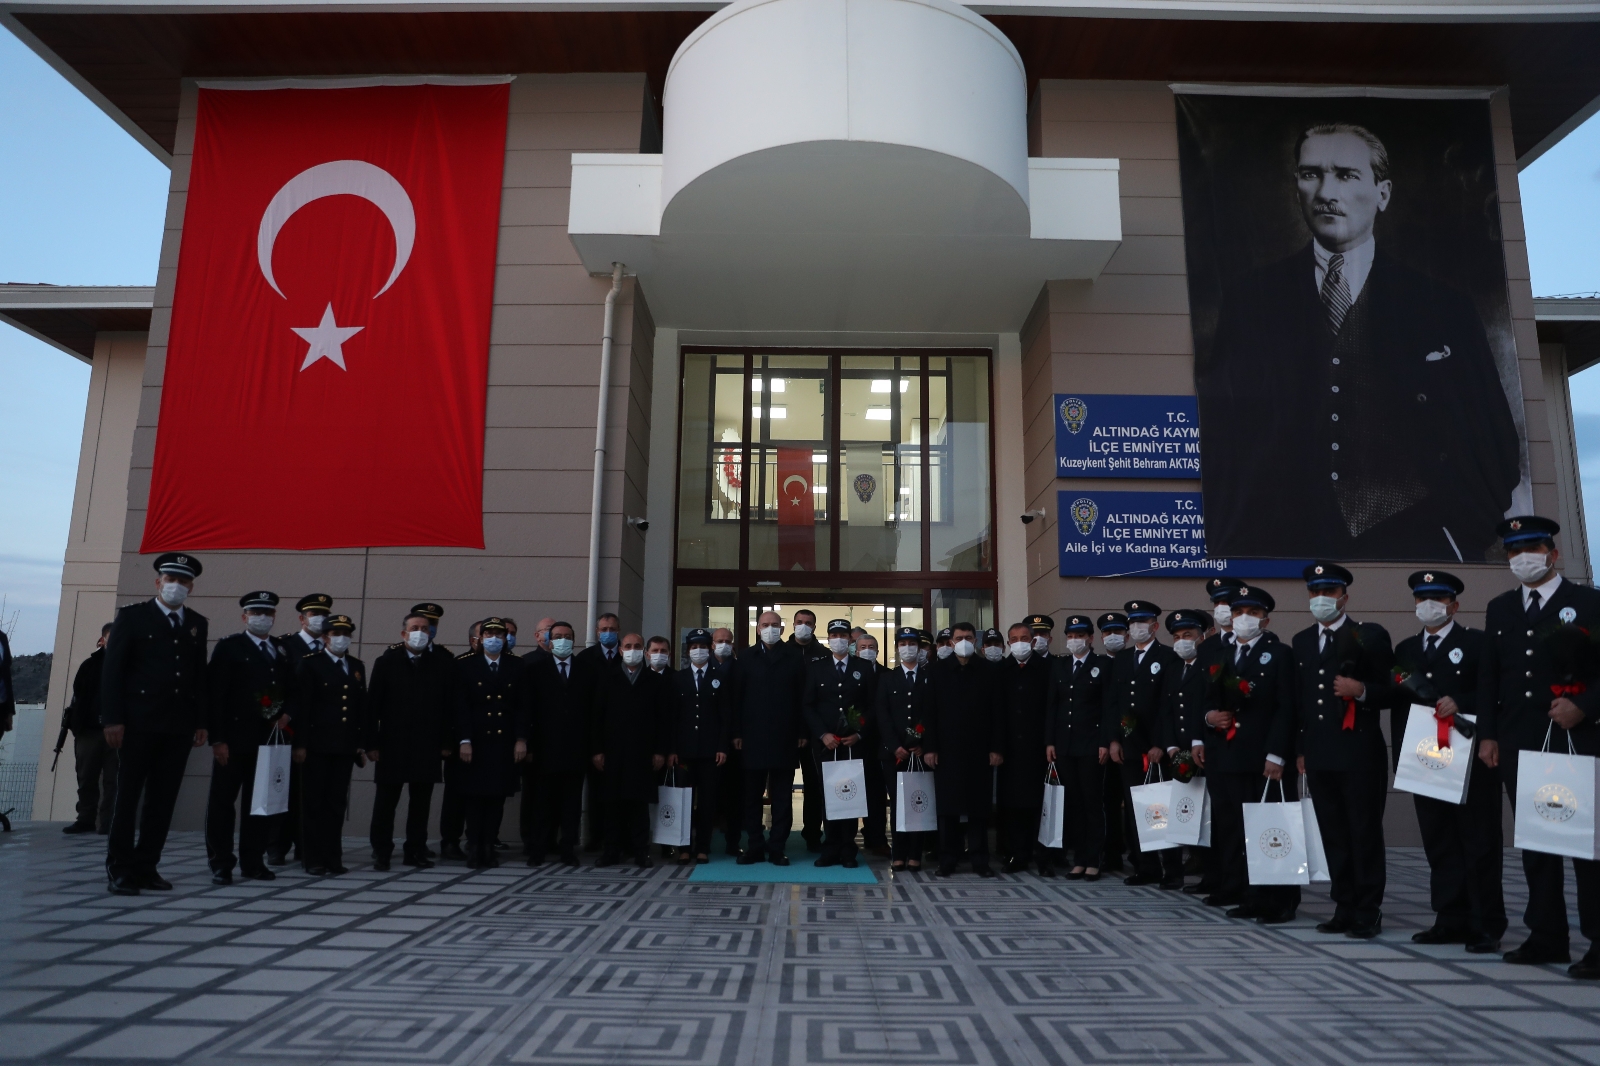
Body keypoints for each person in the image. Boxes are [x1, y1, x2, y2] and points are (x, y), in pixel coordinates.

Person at [1200, 122, 1520, 562]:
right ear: (1296, 186)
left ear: (1382, 193)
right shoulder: (1250, 299)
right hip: (1283, 542)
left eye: (1346, 175)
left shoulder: (1443, 307)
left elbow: (1494, 437)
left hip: (1417, 538)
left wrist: (1462, 531)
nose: (1326, 190)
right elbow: (1222, 433)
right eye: (1311, 174)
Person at [1479, 515, 1600, 978]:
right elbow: (1491, 675)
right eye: (1512, 550)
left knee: (1587, 846)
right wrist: (1489, 734)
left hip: (1576, 739)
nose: (1522, 557)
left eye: (1531, 547)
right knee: (1538, 844)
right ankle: (1546, 936)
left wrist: (1585, 707)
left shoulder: (1587, 603)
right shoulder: (1501, 608)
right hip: (1519, 742)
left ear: (1553, 553)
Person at [1391, 570, 1504, 953]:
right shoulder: (1406, 650)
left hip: (1469, 758)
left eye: (1437, 600)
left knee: (1479, 840)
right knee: (1439, 841)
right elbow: (1399, 706)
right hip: (1426, 760)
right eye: (1422, 599)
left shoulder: (1475, 643)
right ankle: (1449, 917)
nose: (1428, 606)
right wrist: (1400, 760)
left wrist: (1463, 701)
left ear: (1454, 605)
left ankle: (1485, 922)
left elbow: (1494, 691)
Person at [1291, 562, 1394, 939]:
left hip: (1359, 753)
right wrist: (1301, 749)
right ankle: (1344, 904)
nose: (1322, 599)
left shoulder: (1368, 635)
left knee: (1363, 831)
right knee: (1333, 832)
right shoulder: (1302, 640)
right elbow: (1301, 701)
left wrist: (1362, 691)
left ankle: (1368, 909)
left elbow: (1392, 689)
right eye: (1315, 592)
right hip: (1319, 753)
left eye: (1329, 592)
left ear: (1344, 597)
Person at [100, 553, 210, 895]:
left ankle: (147, 866)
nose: (176, 586)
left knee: (162, 801)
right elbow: (113, 672)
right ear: (157, 582)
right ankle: (120, 868)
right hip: (138, 723)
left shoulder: (196, 623)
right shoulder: (132, 618)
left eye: (183, 581)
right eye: (170, 579)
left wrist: (201, 720)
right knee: (128, 797)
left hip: (177, 725)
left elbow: (197, 676)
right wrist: (113, 718)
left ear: (191, 585)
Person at [1200, 585, 1299, 923]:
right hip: (1227, 753)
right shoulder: (1222, 654)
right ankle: (1245, 891)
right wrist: (1210, 718)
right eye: (1239, 612)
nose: (1244, 619)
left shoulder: (1279, 653)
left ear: (1266, 619)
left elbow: (1286, 707)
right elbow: (1207, 700)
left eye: (1253, 613)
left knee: (1270, 829)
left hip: (1263, 759)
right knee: (1233, 827)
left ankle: (1280, 899)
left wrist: (1277, 754)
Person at [204, 591, 292, 884]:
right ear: (244, 617)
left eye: (267, 614)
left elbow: (290, 688)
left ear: (274, 617)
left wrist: (286, 713)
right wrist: (217, 739)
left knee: (260, 805)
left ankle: (253, 861)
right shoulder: (230, 647)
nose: (262, 618)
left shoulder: (281, 649)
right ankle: (221, 863)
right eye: (256, 613)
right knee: (222, 803)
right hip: (233, 739)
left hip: (266, 740)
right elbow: (215, 696)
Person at [367, 610, 455, 870]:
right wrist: (371, 743)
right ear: (403, 633)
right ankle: (382, 851)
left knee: (420, 803)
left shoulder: (441, 662)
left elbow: (448, 708)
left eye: (425, 628)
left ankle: (415, 850)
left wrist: (447, 743)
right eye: (415, 628)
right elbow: (372, 706)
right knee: (386, 801)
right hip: (392, 744)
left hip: (427, 745)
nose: (420, 633)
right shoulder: (386, 662)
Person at [1106, 600, 1185, 890]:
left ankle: (1172, 870)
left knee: (1163, 810)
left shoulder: (1168, 656)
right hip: (1129, 747)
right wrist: (1114, 739)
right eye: (1133, 622)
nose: (1138, 627)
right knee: (1137, 811)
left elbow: (1168, 704)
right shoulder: (1123, 659)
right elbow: (1114, 703)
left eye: (1144, 622)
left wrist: (1161, 743)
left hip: (1157, 749)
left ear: (1154, 625)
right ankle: (1146, 866)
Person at [288, 614, 367, 876]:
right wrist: (300, 744)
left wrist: (360, 744)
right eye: (335, 633)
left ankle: (333, 857)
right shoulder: (311, 664)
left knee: (336, 804)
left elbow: (358, 708)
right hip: (316, 745)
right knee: (313, 803)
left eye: (345, 633)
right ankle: (313, 858)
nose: (341, 638)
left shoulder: (356, 665)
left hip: (343, 746)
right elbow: (303, 706)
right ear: (324, 637)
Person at [924, 622, 1000, 877]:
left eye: (969, 637)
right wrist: (930, 748)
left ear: (975, 641)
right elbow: (930, 713)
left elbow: (998, 714)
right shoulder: (937, 672)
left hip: (980, 750)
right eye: (959, 638)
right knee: (948, 808)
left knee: (979, 808)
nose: (964, 641)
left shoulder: (989, 671)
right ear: (951, 641)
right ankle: (948, 858)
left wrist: (996, 747)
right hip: (947, 750)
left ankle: (980, 860)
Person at [453, 618, 530, 869]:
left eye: (499, 633)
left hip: (503, 742)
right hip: (476, 742)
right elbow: (460, 707)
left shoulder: (517, 666)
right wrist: (464, 740)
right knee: (475, 798)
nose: (494, 638)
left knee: (496, 797)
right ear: (481, 637)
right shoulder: (466, 665)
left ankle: (489, 845)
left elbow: (522, 707)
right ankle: (475, 846)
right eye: (489, 633)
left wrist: (521, 739)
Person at [733, 611, 807, 865]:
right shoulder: (744, 657)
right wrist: (737, 733)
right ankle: (755, 845)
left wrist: (801, 732)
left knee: (782, 798)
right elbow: (737, 699)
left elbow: (802, 699)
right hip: (752, 737)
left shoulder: (795, 657)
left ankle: (777, 847)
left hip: (785, 737)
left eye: (775, 625)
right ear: (757, 629)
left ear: (783, 629)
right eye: (765, 625)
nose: (770, 629)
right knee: (751, 797)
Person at [591, 631, 670, 867]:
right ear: (621, 650)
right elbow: (596, 717)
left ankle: (640, 851)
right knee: (612, 804)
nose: (632, 650)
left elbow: (663, 720)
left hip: (643, 753)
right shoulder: (607, 678)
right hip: (612, 753)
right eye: (628, 646)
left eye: (637, 646)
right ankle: (611, 851)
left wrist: (660, 751)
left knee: (639, 805)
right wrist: (596, 750)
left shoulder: (654, 681)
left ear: (643, 651)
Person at [267, 592, 333, 867]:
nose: (319, 619)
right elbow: (271, 686)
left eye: (323, 614)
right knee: (283, 789)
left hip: (319, 733)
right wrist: (276, 715)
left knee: (313, 792)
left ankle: (305, 845)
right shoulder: (284, 646)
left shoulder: (331, 648)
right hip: (288, 730)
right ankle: (276, 846)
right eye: (313, 614)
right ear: (302, 618)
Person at [524, 621, 595, 866]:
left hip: (576, 750)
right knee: (542, 803)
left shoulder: (585, 670)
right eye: (557, 636)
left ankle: (568, 850)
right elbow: (528, 711)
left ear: (573, 640)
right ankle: (538, 850)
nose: (562, 640)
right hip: (545, 751)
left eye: (567, 636)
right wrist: (530, 746)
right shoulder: (536, 669)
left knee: (571, 805)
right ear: (549, 640)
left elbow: (592, 712)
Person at [1045, 615, 1109, 880]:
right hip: (1065, 746)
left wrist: (1105, 742)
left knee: (1092, 803)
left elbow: (1107, 707)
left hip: (1092, 746)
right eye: (1070, 636)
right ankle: (1079, 859)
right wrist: (1050, 741)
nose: (1074, 641)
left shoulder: (1102, 665)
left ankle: (1094, 859)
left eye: (1080, 636)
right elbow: (1052, 706)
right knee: (1072, 805)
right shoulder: (1060, 666)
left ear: (1091, 638)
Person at [803, 619, 871, 869]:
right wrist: (823, 734)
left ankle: (848, 850)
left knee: (849, 796)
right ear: (828, 638)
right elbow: (808, 705)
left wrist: (859, 732)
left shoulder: (863, 667)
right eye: (834, 635)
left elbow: (872, 706)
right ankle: (829, 847)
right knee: (828, 796)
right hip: (826, 745)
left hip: (852, 744)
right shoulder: (816, 668)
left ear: (850, 639)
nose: (838, 639)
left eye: (843, 635)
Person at [876, 627, 934, 871]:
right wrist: (895, 745)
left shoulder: (930, 677)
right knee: (898, 803)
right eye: (903, 643)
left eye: (912, 643)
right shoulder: (887, 678)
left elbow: (933, 714)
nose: (907, 647)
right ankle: (898, 852)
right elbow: (882, 714)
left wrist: (923, 744)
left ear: (920, 648)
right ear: (897, 647)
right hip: (894, 754)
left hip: (921, 753)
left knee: (917, 803)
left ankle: (915, 854)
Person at [1163, 608, 1213, 894]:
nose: (1182, 641)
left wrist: (1200, 744)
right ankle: (1178, 871)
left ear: (1201, 636)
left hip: (1204, 752)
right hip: (1178, 752)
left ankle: (1210, 872)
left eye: (1189, 635)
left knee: (1207, 816)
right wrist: (1170, 746)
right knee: (1182, 813)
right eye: (1178, 636)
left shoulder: (1208, 667)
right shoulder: (1173, 668)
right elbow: (1166, 711)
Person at [667, 628, 727, 864]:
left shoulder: (719, 677)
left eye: (703, 646)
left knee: (707, 801)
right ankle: (684, 847)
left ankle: (702, 847)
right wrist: (671, 749)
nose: (698, 651)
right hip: (684, 753)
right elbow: (671, 718)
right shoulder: (677, 678)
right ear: (688, 650)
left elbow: (725, 716)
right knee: (683, 800)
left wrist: (722, 747)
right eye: (694, 647)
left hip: (710, 752)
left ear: (709, 648)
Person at [996, 621, 1051, 874]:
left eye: (1024, 637)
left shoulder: (1048, 668)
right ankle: (1017, 854)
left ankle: (1044, 856)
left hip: (1039, 748)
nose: (1020, 642)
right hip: (1010, 750)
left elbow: (1053, 709)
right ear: (1008, 643)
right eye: (1014, 638)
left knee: (1041, 805)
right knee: (1013, 805)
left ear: (1034, 640)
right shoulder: (1001, 669)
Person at [62, 624, 116, 835]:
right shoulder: (89, 666)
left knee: (114, 779)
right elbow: (78, 696)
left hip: (119, 732)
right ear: (102, 639)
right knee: (86, 778)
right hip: (89, 731)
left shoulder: (131, 665)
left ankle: (109, 821)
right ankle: (85, 819)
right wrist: (78, 726)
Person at [440, 621, 485, 862]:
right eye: (483, 635)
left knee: (479, 796)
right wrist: (450, 743)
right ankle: (450, 840)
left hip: (484, 743)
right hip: (460, 743)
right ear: (472, 640)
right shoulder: (459, 664)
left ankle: (477, 840)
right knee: (455, 795)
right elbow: (451, 707)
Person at [787, 608, 830, 852]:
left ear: (815, 627)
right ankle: (779, 835)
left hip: (815, 732)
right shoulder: (783, 652)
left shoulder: (823, 655)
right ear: (793, 625)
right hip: (786, 731)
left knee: (815, 786)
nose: (804, 626)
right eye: (799, 622)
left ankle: (813, 834)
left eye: (808, 623)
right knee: (781, 786)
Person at [1097, 611, 1130, 872]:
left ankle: (1141, 854)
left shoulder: (1132, 661)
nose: (1112, 637)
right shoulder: (1097, 664)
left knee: (1135, 800)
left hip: (1134, 743)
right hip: (1104, 744)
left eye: (1117, 632)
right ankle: (1112, 852)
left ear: (1127, 635)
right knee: (1107, 801)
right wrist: (1108, 740)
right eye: (1107, 633)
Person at [853, 632, 889, 856]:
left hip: (882, 743)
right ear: (855, 651)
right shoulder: (850, 674)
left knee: (877, 794)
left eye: (871, 646)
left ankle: (876, 838)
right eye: (863, 646)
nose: (867, 650)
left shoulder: (888, 674)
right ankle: (846, 840)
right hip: (857, 741)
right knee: (853, 791)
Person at [711, 627, 744, 857]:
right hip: (707, 741)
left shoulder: (740, 669)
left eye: (727, 641)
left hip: (734, 742)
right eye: (719, 641)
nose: (723, 644)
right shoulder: (703, 668)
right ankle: (702, 843)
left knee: (734, 795)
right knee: (709, 795)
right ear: (712, 644)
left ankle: (733, 842)